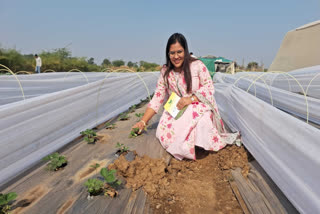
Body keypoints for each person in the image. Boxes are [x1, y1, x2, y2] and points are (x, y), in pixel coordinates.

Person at [132, 33, 239, 160]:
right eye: (172, 53)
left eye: (179, 52)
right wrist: (143, 121)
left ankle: (199, 146)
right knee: (165, 131)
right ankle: (188, 147)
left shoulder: (197, 65)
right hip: (176, 109)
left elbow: (209, 87)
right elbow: (158, 97)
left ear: (185, 51)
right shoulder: (166, 72)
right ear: (168, 54)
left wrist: (190, 99)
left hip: (197, 106)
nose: (176, 56)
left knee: (203, 123)